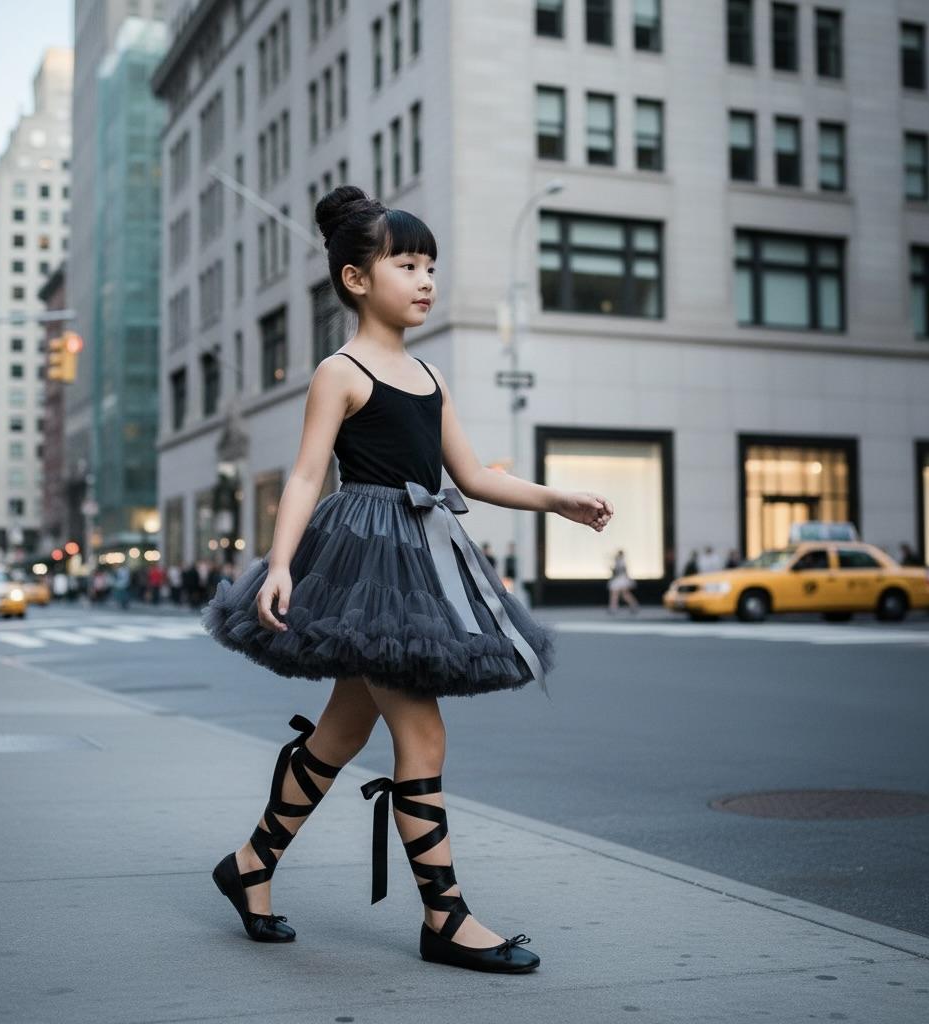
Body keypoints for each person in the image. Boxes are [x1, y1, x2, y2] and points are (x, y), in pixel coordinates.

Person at [202, 186, 613, 975]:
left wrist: (556, 497)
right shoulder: (341, 370)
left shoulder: (430, 374)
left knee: (345, 730)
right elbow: (304, 475)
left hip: (422, 555)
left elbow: (471, 475)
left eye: (431, 266)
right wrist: (280, 564)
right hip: (365, 560)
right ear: (358, 280)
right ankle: (445, 918)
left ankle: (250, 864)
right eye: (407, 263)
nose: (425, 279)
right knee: (420, 732)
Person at [607, 548, 639, 613]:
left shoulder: (621, 562)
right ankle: (613, 607)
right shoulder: (618, 561)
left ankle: (633, 605)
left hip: (621, 580)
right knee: (616, 594)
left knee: (623, 594)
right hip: (619, 579)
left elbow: (620, 571)